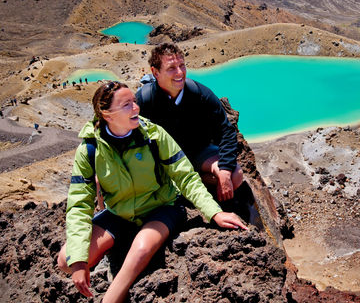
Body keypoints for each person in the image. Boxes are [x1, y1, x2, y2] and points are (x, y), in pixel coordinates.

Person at [57, 81, 246, 303]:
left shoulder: (153, 135)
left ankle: (111, 298)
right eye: (126, 105)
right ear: (106, 114)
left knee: (142, 248)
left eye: (135, 102)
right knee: (65, 260)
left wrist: (214, 212)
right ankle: (114, 248)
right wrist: (79, 262)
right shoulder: (90, 149)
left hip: (161, 208)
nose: (136, 108)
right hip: (120, 213)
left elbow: (185, 177)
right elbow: (79, 204)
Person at [136, 43, 243, 203]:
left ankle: (193, 182)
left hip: (196, 153)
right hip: (161, 162)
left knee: (236, 176)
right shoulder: (143, 100)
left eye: (182, 66)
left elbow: (225, 132)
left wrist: (225, 171)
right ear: (155, 72)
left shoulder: (200, 94)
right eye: (171, 68)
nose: (180, 72)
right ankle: (181, 185)